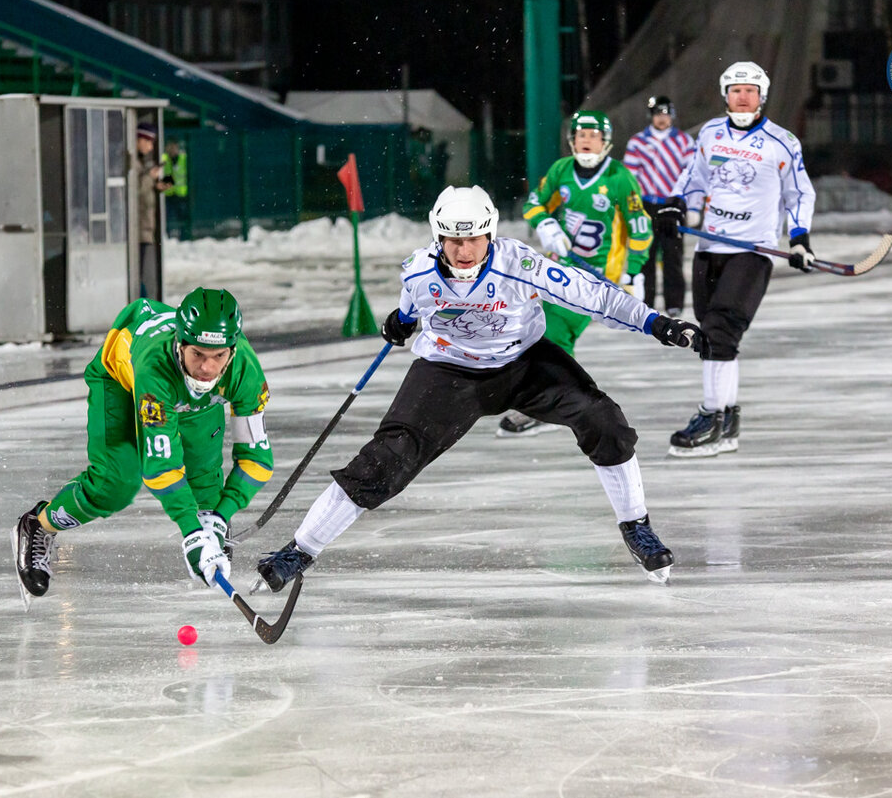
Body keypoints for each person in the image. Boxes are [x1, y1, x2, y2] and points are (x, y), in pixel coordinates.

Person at [254, 185, 707, 594]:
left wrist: (657, 323)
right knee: (386, 460)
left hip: (524, 363)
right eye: (453, 239)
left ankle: (636, 527)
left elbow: (595, 296)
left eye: (473, 238)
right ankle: (300, 550)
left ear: (489, 235)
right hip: (448, 372)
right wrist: (402, 322)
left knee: (603, 420)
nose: (464, 250)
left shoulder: (522, 266)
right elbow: (412, 307)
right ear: (438, 238)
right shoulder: (417, 271)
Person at [11, 288, 275, 602]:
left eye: (218, 357)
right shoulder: (155, 367)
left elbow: (256, 459)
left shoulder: (243, 369)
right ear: (180, 345)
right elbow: (162, 465)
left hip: (186, 395)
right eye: (198, 355)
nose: (207, 368)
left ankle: (209, 519)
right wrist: (192, 532)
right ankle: (38, 524)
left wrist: (219, 516)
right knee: (116, 484)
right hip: (122, 381)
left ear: (232, 350)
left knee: (205, 487)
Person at [653, 61, 817, 458]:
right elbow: (693, 179)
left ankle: (711, 417)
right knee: (711, 338)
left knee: (722, 331)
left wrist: (800, 238)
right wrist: (677, 208)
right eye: (736, 90)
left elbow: (799, 194)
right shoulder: (710, 133)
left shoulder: (783, 142)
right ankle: (726, 423)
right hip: (710, 249)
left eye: (751, 91)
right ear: (725, 94)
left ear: (762, 97)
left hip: (753, 251)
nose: (743, 97)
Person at [498, 109, 653, 438]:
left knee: (555, 333)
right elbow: (534, 202)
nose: (585, 142)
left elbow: (640, 228)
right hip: (555, 270)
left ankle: (550, 403)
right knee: (534, 329)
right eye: (580, 136)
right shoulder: (561, 170)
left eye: (592, 136)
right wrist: (547, 222)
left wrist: (636, 273)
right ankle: (546, 398)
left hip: (594, 276)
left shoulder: (619, 179)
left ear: (605, 141)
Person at [622, 95, 696, 317]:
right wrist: (630, 208)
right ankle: (646, 302)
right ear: (651, 116)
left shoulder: (684, 141)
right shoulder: (638, 142)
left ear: (671, 115)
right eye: (657, 114)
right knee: (645, 255)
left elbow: (692, 176)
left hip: (672, 206)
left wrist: (691, 207)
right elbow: (629, 179)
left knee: (673, 256)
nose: (661, 119)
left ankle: (674, 303)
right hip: (645, 206)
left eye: (665, 114)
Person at [137, 123, 170, 299]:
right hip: (136, 230)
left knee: (140, 273)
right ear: (140, 139)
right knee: (136, 275)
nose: (150, 148)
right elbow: (133, 193)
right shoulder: (134, 164)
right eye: (149, 142)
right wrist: (149, 178)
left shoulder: (142, 163)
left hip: (144, 229)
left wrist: (156, 186)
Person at [160, 138, 189, 240]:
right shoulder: (163, 158)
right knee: (167, 218)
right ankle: (167, 237)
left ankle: (184, 238)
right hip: (168, 194)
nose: (172, 149)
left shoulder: (184, 158)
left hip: (181, 194)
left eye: (174, 147)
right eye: (169, 147)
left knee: (183, 218)